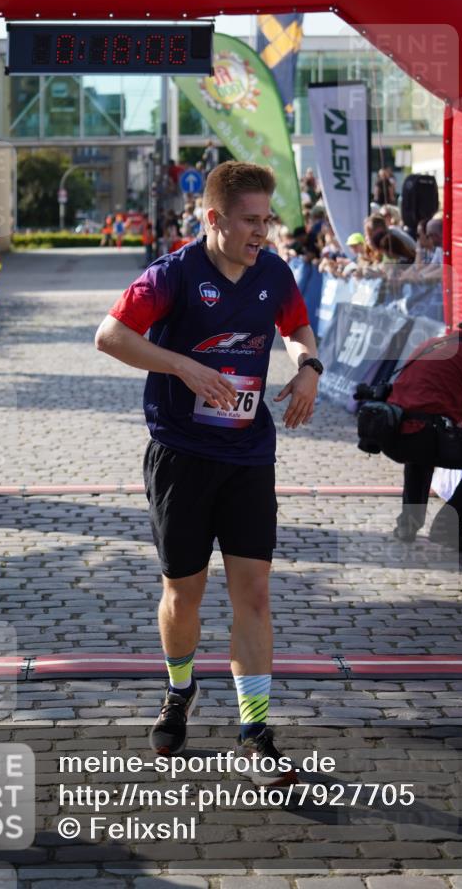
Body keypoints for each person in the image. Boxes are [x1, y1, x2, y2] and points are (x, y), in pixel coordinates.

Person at [95, 161, 321, 782]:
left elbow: (297, 325)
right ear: (214, 218)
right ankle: (179, 688)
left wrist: (307, 366)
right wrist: (182, 367)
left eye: (267, 220)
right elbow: (109, 336)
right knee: (183, 591)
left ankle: (255, 727)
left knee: (252, 591)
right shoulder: (174, 275)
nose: (262, 232)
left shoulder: (272, 272)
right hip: (182, 457)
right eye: (250, 220)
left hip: (248, 456)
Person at [382, 300, 462, 551]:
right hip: (422, 433)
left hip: (391, 433)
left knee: (421, 449)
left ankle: (408, 525)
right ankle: (449, 529)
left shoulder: (431, 343)